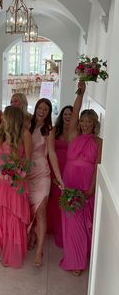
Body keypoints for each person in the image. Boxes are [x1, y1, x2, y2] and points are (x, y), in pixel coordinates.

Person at [60, 81, 102, 276]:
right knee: (72, 223)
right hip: (70, 181)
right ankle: (74, 261)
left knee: (86, 222)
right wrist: (80, 93)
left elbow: (97, 167)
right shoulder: (73, 134)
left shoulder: (99, 142)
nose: (84, 124)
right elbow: (75, 112)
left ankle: (83, 256)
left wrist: (92, 188)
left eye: (88, 121)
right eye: (82, 121)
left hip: (87, 185)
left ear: (94, 124)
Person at [0, 106, 32, 268]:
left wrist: (15, 167)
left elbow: (28, 162)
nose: (1, 119)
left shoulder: (25, 134)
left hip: (15, 179)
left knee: (13, 216)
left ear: (12, 118)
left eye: (4, 117)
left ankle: (12, 251)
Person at [28, 98, 64, 267]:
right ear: (35, 108)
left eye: (46, 109)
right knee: (29, 211)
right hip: (27, 173)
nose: (42, 111)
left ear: (49, 113)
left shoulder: (49, 129)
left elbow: (52, 154)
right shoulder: (27, 124)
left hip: (42, 175)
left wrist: (59, 177)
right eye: (40, 108)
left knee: (41, 212)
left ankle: (39, 251)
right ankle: (33, 234)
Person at [47, 105, 73, 247]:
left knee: (65, 201)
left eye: (71, 114)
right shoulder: (55, 130)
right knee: (55, 200)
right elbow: (49, 151)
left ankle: (64, 233)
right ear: (61, 116)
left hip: (69, 170)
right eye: (65, 114)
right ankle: (55, 229)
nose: (68, 116)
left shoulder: (77, 132)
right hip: (55, 169)